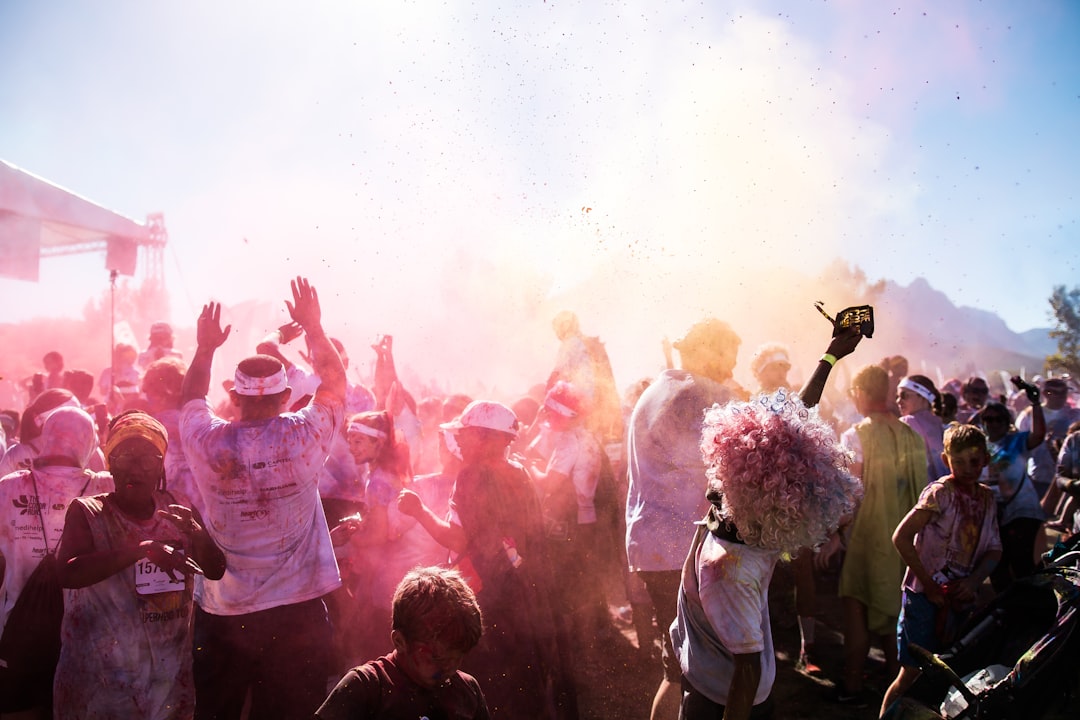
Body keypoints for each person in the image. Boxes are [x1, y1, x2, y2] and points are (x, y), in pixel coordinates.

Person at [670, 327, 864, 720]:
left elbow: (748, 667)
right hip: (711, 681)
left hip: (721, 701)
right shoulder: (748, 523)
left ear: (753, 485)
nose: (717, 478)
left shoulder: (728, 565)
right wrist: (829, 357)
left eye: (729, 473)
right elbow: (788, 428)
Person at [178, 276, 347, 720]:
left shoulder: (207, 442)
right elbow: (334, 383)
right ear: (286, 396)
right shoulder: (305, 434)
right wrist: (313, 326)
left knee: (218, 713)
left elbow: (191, 397)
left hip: (225, 612)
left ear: (233, 397)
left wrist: (205, 348)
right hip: (297, 613)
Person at [398, 400, 572, 720]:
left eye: (466, 435)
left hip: (488, 597)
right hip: (525, 594)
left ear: (488, 438)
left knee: (491, 682)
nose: (459, 442)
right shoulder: (518, 472)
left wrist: (418, 511)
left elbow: (458, 540)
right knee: (524, 677)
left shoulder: (472, 477)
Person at [52, 411, 225, 719]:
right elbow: (67, 572)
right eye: (125, 456)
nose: (137, 467)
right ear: (109, 463)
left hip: (167, 678)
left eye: (148, 458)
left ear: (161, 465)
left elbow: (215, 570)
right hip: (101, 679)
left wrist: (195, 534)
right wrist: (140, 550)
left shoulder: (179, 509)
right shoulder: (89, 512)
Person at [624, 318, 744, 720]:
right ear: (708, 351)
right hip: (683, 550)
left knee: (676, 669)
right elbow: (726, 465)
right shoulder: (700, 393)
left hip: (652, 546)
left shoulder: (656, 390)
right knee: (703, 676)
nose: (731, 369)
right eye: (728, 358)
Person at [819, 364, 928, 704]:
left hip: (867, 538)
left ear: (863, 394)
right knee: (897, 617)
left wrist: (836, 533)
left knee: (857, 609)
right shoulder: (912, 435)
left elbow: (850, 495)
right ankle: (899, 697)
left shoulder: (856, 435)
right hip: (906, 541)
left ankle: (853, 687)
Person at [878, 423, 1003, 717]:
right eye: (958, 462)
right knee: (911, 673)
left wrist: (973, 582)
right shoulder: (939, 493)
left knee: (949, 672)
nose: (967, 468)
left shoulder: (986, 498)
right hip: (923, 597)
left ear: (985, 459)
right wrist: (928, 584)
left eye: (974, 461)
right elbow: (901, 537)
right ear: (947, 461)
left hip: (959, 599)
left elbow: (994, 550)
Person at [0, 406, 113, 717]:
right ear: (89, 443)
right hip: (87, 634)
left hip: (17, 629)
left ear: (46, 439)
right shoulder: (104, 487)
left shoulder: (8, 487)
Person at [314, 566, 490, 720]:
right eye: (438, 659)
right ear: (400, 641)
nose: (449, 669)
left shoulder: (467, 691)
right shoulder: (366, 689)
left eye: (458, 658)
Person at [981, 388, 1046, 592]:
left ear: (1007, 422)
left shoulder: (1016, 440)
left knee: (1023, 565)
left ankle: (1037, 612)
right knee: (998, 568)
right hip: (993, 516)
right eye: (988, 419)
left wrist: (1035, 404)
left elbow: (1039, 435)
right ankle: (1007, 615)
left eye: (999, 419)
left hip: (1022, 511)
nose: (993, 423)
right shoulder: (978, 446)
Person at [1016, 377, 1080, 510]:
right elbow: (1020, 447)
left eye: (1064, 392)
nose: (1062, 397)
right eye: (1057, 393)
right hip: (1037, 476)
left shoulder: (1075, 415)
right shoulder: (1029, 414)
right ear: (1045, 393)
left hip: (1067, 478)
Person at [897, 374, 949, 484]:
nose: (898, 401)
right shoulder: (940, 424)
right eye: (897, 396)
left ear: (923, 397)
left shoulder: (908, 422)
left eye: (904, 395)